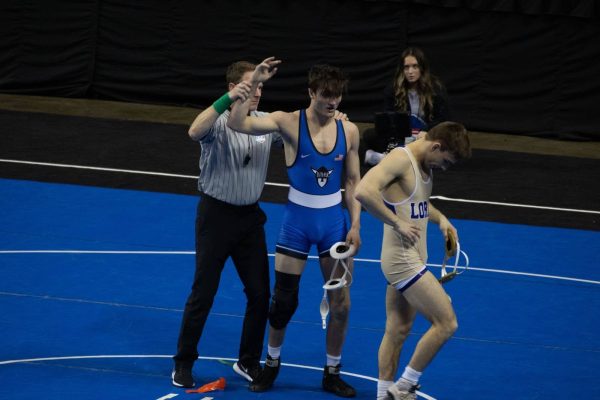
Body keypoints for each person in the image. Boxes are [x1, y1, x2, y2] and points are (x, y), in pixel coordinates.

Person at [228, 57, 362, 397]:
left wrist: (357, 225)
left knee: (341, 304)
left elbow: (352, 180)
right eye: (325, 96)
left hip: (334, 224)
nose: (332, 103)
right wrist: (255, 81)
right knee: (283, 302)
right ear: (310, 92)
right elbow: (238, 123)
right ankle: (271, 364)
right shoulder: (288, 123)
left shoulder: (349, 130)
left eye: (337, 97)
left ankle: (332, 371)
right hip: (297, 224)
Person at [171, 60, 280, 388]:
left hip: (250, 219)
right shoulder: (217, 121)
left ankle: (247, 362)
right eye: (251, 86)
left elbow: (301, 129)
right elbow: (193, 131)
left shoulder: (264, 123)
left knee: (261, 295)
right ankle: (183, 362)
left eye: (261, 86)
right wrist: (228, 100)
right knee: (203, 292)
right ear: (234, 88)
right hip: (216, 217)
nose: (258, 92)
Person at [354, 122, 471, 400]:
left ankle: (384, 395)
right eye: (445, 161)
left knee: (398, 329)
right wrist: (396, 223)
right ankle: (404, 386)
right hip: (403, 261)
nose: (444, 168)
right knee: (447, 323)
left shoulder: (424, 164)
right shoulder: (400, 159)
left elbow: (417, 203)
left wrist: (441, 219)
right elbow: (363, 191)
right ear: (436, 146)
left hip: (413, 258)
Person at [364, 47, 450, 166]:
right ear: (402, 70)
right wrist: (400, 133)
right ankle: (410, 157)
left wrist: (427, 132)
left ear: (422, 68)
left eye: (415, 66)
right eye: (406, 67)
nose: (410, 71)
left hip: (426, 135)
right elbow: (388, 119)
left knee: (443, 141)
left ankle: (386, 158)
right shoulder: (393, 89)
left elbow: (443, 120)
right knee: (369, 135)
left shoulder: (436, 88)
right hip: (404, 136)